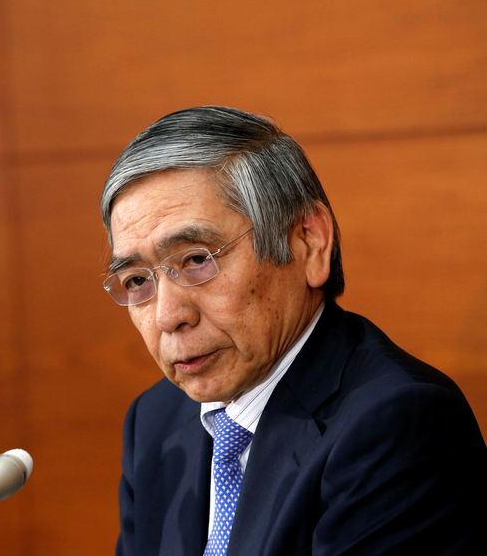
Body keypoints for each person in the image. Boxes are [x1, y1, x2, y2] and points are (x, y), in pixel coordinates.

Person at [100, 106, 486, 556]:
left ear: (308, 242)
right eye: (137, 281)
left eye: (196, 259)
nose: (167, 316)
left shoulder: (398, 422)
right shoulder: (156, 421)